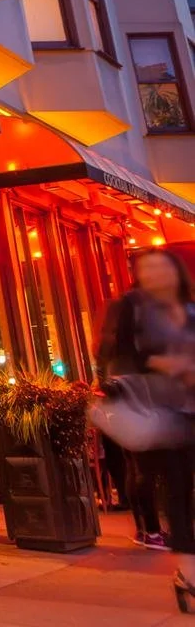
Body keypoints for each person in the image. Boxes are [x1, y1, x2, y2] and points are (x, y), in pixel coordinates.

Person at [97, 249, 195, 606]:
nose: (155, 275)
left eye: (161, 268)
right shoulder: (130, 309)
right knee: (175, 489)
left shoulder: (188, 311)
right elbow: (111, 354)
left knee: (187, 490)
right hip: (159, 412)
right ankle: (189, 571)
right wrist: (157, 363)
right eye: (146, 270)